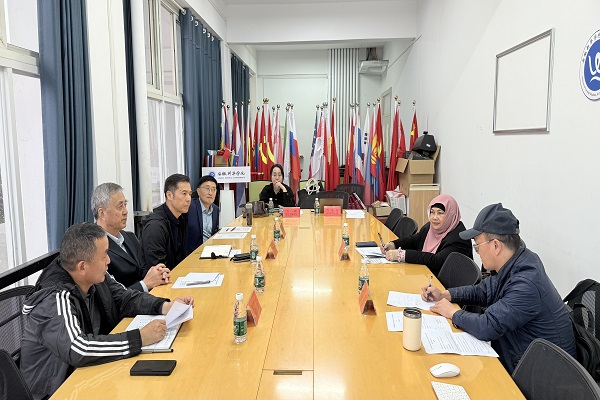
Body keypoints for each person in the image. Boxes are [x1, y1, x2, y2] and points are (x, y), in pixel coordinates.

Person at [20, 223, 194, 399]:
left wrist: (164, 306)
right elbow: (79, 349)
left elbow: (125, 298)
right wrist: (139, 338)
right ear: (82, 267)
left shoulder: (95, 276)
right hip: (57, 390)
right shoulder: (54, 298)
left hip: (88, 375)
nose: (109, 260)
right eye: (104, 255)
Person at [422, 203, 576, 373]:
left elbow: (488, 326)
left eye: (477, 246)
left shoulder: (526, 282)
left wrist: (452, 312)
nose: (477, 252)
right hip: (522, 357)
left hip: (543, 376)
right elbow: (484, 290)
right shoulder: (517, 261)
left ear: (496, 245)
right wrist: (445, 294)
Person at [92, 182, 170, 292]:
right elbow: (109, 295)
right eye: (120, 206)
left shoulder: (130, 237)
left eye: (125, 205)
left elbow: (143, 269)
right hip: (127, 301)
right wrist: (145, 284)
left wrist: (158, 274)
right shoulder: (94, 246)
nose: (125, 211)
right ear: (102, 213)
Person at [384, 194, 472, 276]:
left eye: (440, 213)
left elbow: (436, 261)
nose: (434, 217)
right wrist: (394, 244)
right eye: (432, 212)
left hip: (447, 284)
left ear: (450, 214)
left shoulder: (459, 237)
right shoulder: (430, 227)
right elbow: (415, 240)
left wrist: (402, 255)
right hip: (427, 275)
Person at [141, 174, 192, 271]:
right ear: (169, 195)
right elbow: (158, 269)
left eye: (190, 194)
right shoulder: (155, 226)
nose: (188, 199)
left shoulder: (182, 217)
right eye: (184, 193)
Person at [186, 175, 220, 256]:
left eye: (213, 189)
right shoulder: (189, 207)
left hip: (210, 252)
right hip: (192, 255)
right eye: (207, 188)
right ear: (198, 191)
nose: (210, 193)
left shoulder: (216, 209)